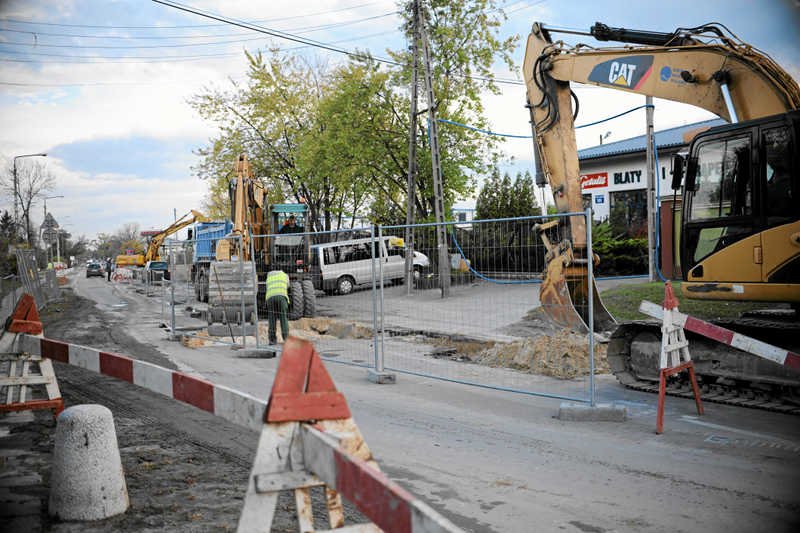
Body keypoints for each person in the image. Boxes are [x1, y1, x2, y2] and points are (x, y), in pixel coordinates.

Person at [265, 270, 290, 345]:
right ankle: (286, 339)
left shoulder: (268, 277)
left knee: (272, 319)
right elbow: (288, 285)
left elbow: (267, 287)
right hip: (281, 297)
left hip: (270, 298)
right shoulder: (284, 275)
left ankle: (272, 340)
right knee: (283, 318)